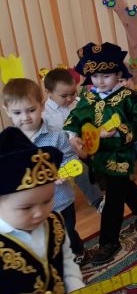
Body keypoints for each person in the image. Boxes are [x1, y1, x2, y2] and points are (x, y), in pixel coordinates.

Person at [0, 127, 92, 294]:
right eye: (26, 207)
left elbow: (66, 258)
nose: (39, 213)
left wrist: (75, 284)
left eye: (48, 200)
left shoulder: (55, 221)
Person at [64, 42, 137, 265]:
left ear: (118, 74)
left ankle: (109, 242)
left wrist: (120, 130)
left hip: (120, 154)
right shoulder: (89, 96)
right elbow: (76, 116)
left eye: (106, 76)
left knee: (113, 197)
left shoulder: (128, 97)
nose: (100, 81)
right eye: (95, 76)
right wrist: (73, 135)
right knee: (121, 185)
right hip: (97, 155)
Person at [3, 78, 87, 265]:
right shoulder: (8, 143)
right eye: (17, 112)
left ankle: (77, 250)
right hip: (29, 206)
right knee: (43, 238)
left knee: (66, 231)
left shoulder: (57, 136)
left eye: (31, 110)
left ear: (41, 105)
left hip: (60, 200)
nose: (25, 117)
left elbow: (71, 160)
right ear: (7, 111)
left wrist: (62, 171)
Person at [42, 68, 105, 213]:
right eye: (64, 96)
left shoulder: (78, 103)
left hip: (85, 144)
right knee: (81, 169)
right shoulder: (45, 115)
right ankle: (98, 201)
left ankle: (109, 187)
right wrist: (72, 146)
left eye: (73, 93)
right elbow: (49, 142)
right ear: (48, 92)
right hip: (63, 153)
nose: (70, 98)